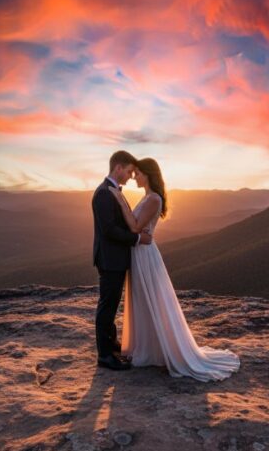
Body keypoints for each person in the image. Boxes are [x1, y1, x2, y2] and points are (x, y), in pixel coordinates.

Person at [108, 157, 240, 382]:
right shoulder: (148, 197)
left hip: (144, 255)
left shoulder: (153, 199)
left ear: (148, 174)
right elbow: (139, 231)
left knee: (149, 298)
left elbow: (135, 227)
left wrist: (120, 201)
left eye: (138, 173)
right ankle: (147, 347)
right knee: (143, 299)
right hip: (140, 251)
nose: (134, 176)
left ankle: (155, 349)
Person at [91, 150, 153, 371]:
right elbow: (109, 230)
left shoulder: (112, 191)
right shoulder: (103, 194)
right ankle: (104, 356)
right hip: (109, 259)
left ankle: (111, 342)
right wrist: (137, 238)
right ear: (118, 168)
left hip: (116, 258)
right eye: (128, 171)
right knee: (107, 305)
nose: (129, 176)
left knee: (113, 302)